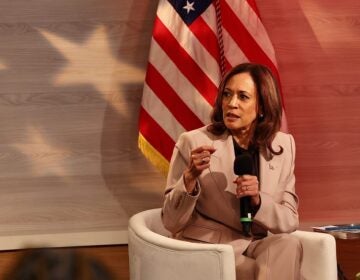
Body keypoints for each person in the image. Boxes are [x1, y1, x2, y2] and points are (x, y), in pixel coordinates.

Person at [162, 63, 303, 279]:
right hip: (211, 246)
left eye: (243, 97)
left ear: (262, 106)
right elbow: (171, 222)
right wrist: (189, 178)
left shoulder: (283, 146)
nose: (231, 104)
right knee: (264, 272)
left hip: (257, 243)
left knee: (288, 244)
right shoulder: (193, 142)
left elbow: (289, 221)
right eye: (227, 95)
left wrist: (258, 200)